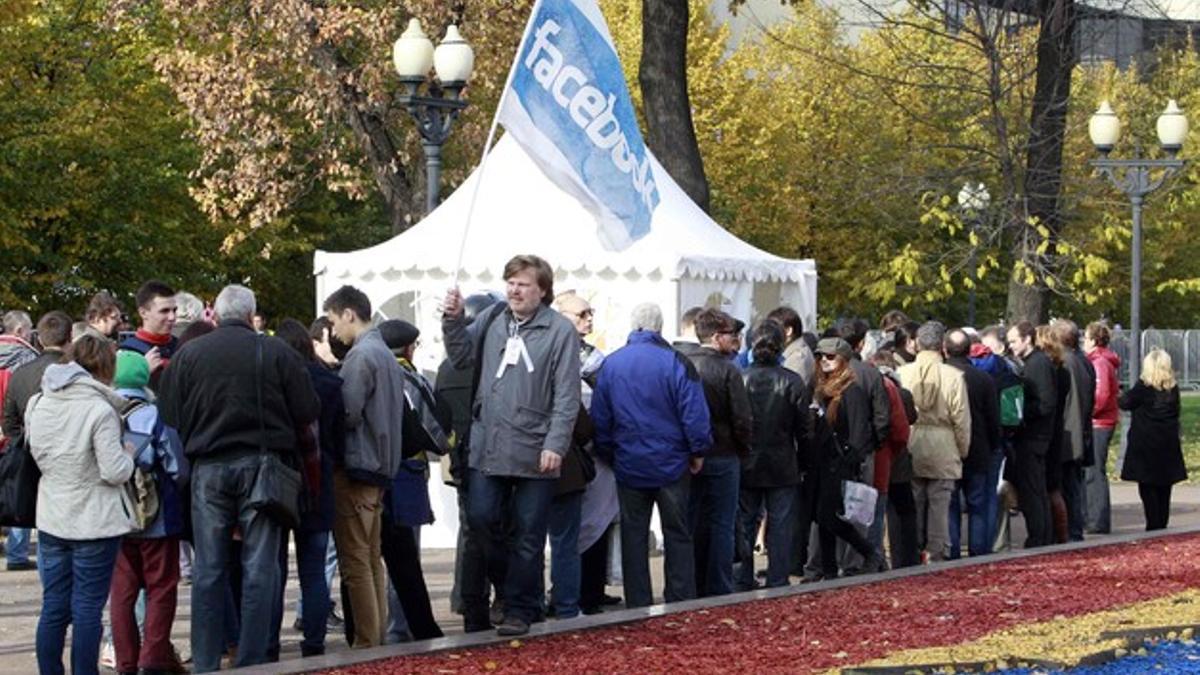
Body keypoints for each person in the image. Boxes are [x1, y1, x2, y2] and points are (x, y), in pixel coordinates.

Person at [158, 285, 319, 671]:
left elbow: (170, 416)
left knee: (209, 569)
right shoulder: (276, 351)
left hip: (208, 468)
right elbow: (306, 409)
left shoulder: (189, 355)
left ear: (218, 314)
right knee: (260, 568)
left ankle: (207, 661)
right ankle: (252, 659)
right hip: (263, 466)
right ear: (251, 315)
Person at [442, 254, 581, 637]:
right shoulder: (493, 319)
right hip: (489, 445)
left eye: (523, 284)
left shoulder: (559, 332)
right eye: (511, 283)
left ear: (542, 291)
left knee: (529, 533)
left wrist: (556, 443)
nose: (515, 290)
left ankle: (520, 608)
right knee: (483, 519)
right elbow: (461, 356)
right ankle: (507, 587)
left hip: (537, 447)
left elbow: (567, 396)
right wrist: (453, 321)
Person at [26, 336, 136, 675]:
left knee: (54, 606)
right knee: (88, 608)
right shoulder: (100, 410)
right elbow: (113, 470)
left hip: (52, 515)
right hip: (94, 520)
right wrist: (130, 455)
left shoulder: (39, 402)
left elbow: (34, 452)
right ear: (105, 367)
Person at [590, 302, 710, 608]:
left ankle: (638, 601)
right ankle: (680, 598)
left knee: (634, 536)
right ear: (659, 327)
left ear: (634, 325)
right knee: (677, 533)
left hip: (629, 462)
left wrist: (609, 453)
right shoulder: (677, 362)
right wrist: (697, 451)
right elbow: (694, 413)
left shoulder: (611, 365)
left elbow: (601, 418)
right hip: (672, 462)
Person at [322, 285, 407, 648]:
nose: (332, 331)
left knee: (356, 560)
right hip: (382, 467)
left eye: (332, 321)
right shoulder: (386, 354)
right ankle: (376, 637)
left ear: (348, 314)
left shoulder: (361, 357)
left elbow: (349, 412)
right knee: (372, 558)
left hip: (358, 468)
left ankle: (367, 642)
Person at [108, 351, 189, 675]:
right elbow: (176, 466)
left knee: (122, 594)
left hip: (115, 516)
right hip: (157, 518)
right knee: (161, 588)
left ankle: (125, 662)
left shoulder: (103, 412)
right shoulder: (154, 414)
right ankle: (152, 660)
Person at [435, 293, 508, 629]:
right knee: (498, 532)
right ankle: (502, 599)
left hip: (459, 457)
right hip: (490, 455)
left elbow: (439, 417)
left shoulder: (445, 368)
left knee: (471, 532)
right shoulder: (490, 366)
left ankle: (467, 598)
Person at [268, 319, 337, 657]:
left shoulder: (271, 381)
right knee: (314, 572)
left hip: (280, 484)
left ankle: (269, 641)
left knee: (273, 570)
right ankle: (314, 640)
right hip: (318, 483)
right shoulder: (327, 381)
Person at [376, 318, 445, 641]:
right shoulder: (413, 379)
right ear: (408, 347)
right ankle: (399, 627)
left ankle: (377, 626)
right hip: (409, 472)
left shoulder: (372, 369)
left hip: (375, 472)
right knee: (405, 556)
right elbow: (436, 430)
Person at [737, 321, 809, 590]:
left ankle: (742, 577)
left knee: (745, 523)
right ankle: (778, 577)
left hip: (748, 461)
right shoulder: (792, 381)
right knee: (780, 525)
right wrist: (804, 463)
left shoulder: (741, 378)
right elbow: (805, 430)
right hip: (782, 462)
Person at [686, 309, 752, 598]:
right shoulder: (728, 370)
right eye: (731, 335)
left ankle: (692, 584)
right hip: (723, 453)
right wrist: (743, 448)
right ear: (716, 337)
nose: (736, 341)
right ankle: (719, 586)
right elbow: (741, 417)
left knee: (693, 522)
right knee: (722, 525)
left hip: (690, 455)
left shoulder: (684, 364)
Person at [809, 338, 886, 577]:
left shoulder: (851, 391)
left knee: (829, 517)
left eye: (830, 357)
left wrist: (849, 462)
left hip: (840, 463)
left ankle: (869, 552)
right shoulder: (821, 389)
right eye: (821, 356)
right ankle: (830, 569)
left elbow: (859, 431)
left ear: (843, 360)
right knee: (822, 518)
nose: (824, 361)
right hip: (822, 462)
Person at [1, 311, 71, 571]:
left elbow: (8, 420)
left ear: (40, 338)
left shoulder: (22, 373)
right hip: (64, 454)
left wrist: (22, 442)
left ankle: (47, 572)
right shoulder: (71, 372)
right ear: (70, 338)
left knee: (36, 511)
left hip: (30, 451)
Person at [897, 321, 970, 562]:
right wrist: (962, 449)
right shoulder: (954, 377)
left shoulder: (903, 373)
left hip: (912, 439)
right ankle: (937, 551)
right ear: (942, 346)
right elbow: (961, 418)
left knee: (914, 499)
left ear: (917, 343)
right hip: (944, 443)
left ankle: (912, 548)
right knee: (940, 504)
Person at [944, 329, 1001, 558]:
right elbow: (992, 418)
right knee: (979, 505)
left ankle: (953, 551)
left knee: (950, 505)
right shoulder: (983, 379)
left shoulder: (941, 377)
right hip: (979, 450)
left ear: (945, 349)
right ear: (970, 350)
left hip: (948, 450)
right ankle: (979, 551)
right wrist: (995, 445)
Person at [1120, 349, 1185, 531]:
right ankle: (1161, 523)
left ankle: (1153, 524)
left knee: (1147, 486)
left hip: (1146, 444)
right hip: (1167, 443)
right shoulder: (1173, 389)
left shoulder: (1143, 387)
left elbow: (1125, 402)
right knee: (1165, 487)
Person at [1006, 320, 1057, 548]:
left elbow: (1045, 403)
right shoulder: (1034, 363)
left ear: (1027, 339)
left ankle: (1038, 536)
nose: (1012, 346)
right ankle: (1041, 534)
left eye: (1014, 341)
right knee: (1035, 488)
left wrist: (1019, 412)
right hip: (1035, 435)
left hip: (1033, 436)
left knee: (1033, 489)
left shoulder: (1037, 364)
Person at [1053, 320, 1094, 542]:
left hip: (1069, 433)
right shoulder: (1082, 361)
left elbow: (1072, 402)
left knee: (1069, 487)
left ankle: (1071, 532)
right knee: (1073, 485)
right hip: (1078, 432)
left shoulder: (1067, 363)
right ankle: (1073, 530)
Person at [1083, 321, 1119, 534]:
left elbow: (1102, 395)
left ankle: (1097, 520)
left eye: (1086, 338)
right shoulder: (1102, 361)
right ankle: (1094, 517)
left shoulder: (1099, 363)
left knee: (1094, 471)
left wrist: (1089, 412)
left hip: (1099, 422)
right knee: (1093, 470)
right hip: (1101, 421)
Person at [119, 281, 179, 392]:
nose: (172, 317)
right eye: (164, 311)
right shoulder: (127, 353)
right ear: (143, 313)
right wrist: (142, 372)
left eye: (174, 310)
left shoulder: (182, 346)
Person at [768, 306, 815, 386]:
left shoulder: (797, 359)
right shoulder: (790, 353)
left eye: (773, 329)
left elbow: (788, 390)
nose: (770, 334)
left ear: (788, 331)